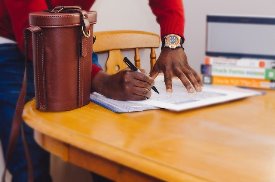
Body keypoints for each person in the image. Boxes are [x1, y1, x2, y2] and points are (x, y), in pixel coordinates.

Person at [0, 0, 201, 181]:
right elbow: (33, 36)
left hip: (71, 35)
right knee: (29, 171)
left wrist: (172, 44)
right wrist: (102, 81)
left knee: (102, 149)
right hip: (14, 45)